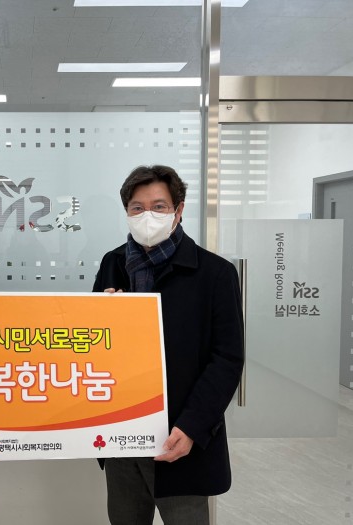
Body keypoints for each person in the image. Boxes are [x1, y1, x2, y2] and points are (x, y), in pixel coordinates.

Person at [93, 165, 244, 525]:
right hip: (123, 436)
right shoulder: (113, 264)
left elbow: (226, 359)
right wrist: (105, 320)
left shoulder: (215, 273)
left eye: (159, 206)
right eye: (137, 207)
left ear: (178, 210)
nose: (147, 215)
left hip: (182, 438)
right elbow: (93, 347)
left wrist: (192, 426)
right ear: (127, 212)